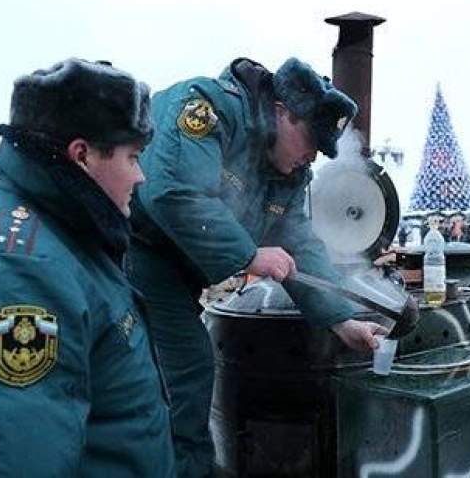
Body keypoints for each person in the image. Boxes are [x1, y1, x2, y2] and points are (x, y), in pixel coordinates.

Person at [0, 59, 175, 475]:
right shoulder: (15, 270)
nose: (140, 176)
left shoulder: (56, 234)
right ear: (81, 155)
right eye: (133, 157)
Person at [128, 57, 388, 477]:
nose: (311, 157)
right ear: (282, 113)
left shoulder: (288, 170)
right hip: (134, 253)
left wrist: (342, 320)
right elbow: (173, 193)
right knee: (183, 373)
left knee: (179, 377)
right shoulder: (206, 109)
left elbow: (299, 242)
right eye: (309, 140)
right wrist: (249, 255)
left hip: (180, 271)